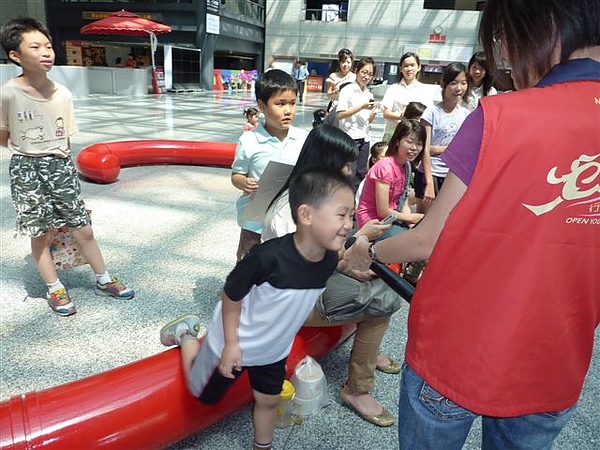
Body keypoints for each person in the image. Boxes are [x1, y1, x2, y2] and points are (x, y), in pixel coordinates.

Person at [344, 0, 599, 448]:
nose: (508, 59)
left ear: (544, 24)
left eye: (504, 42)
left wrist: (367, 250)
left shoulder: (502, 117)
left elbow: (427, 239)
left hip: (457, 352)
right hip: (553, 361)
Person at [160, 168, 355, 450]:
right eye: (341, 214)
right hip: (233, 341)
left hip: (273, 351)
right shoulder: (267, 258)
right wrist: (230, 345)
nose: (349, 224)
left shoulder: (327, 259)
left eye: (351, 215)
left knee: (268, 401)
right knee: (202, 394)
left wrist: (358, 256)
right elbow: (230, 296)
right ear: (306, 215)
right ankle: (186, 335)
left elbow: (325, 274)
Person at [263, 125, 400, 428]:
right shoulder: (293, 208)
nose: (350, 171)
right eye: (344, 164)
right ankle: (357, 390)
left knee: (379, 282)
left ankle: (369, 349)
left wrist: (351, 267)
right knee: (385, 300)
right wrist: (359, 239)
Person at [0, 17, 135, 317]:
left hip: (60, 166)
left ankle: (103, 279)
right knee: (42, 233)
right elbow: (3, 136)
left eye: (48, 46)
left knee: (82, 228)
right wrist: (31, 155)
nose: (46, 52)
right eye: (35, 47)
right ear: (15, 55)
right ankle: (54, 288)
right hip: (26, 168)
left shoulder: (62, 93)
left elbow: (66, 139)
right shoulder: (8, 93)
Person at [230, 69, 307, 261]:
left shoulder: (303, 138)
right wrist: (244, 182)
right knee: (249, 257)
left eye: (292, 103)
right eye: (280, 104)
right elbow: (236, 175)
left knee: (284, 257)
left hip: (289, 213)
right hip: (256, 214)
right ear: (262, 105)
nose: (288, 110)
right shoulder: (249, 140)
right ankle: (241, 288)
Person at [355, 120, 425, 240]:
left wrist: (411, 224)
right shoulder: (385, 167)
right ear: (397, 141)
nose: (414, 148)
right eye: (409, 142)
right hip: (373, 222)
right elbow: (382, 211)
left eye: (419, 144)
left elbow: (404, 201)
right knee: (407, 241)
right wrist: (410, 218)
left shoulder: (406, 166)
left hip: (392, 217)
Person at [416, 62, 469, 214]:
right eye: (453, 83)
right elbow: (425, 149)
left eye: (463, 83)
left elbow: (463, 150)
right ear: (443, 84)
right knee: (423, 218)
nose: (459, 88)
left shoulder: (465, 114)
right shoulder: (432, 112)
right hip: (430, 172)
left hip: (452, 176)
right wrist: (429, 182)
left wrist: (437, 149)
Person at [336, 57, 378, 190]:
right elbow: (340, 114)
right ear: (356, 71)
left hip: (365, 138)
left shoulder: (368, 93)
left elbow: (367, 119)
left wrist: (372, 115)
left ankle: (355, 203)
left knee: (360, 173)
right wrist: (361, 106)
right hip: (350, 137)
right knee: (348, 172)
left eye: (370, 74)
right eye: (364, 72)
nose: (366, 77)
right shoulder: (347, 90)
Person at [380, 52, 436, 142]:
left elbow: (428, 115)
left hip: (415, 137)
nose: (409, 69)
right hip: (393, 135)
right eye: (405, 66)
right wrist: (403, 116)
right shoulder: (393, 88)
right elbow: (386, 113)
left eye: (412, 65)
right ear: (401, 69)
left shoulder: (425, 90)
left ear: (419, 67)